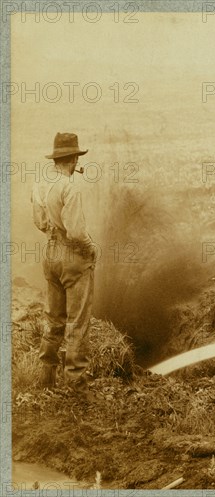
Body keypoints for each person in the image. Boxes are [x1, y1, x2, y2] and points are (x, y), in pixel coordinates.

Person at [32, 132, 97, 398]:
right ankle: (76, 386)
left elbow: (40, 222)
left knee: (54, 318)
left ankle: (46, 377)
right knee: (77, 322)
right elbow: (77, 232)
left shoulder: (39, 184)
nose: (75, 164)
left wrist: (53, 232)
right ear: (71, 159)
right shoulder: (70, 188)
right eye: (75, 159)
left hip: (50, 252)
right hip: (72, 256)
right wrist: (91, 250)